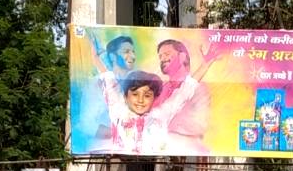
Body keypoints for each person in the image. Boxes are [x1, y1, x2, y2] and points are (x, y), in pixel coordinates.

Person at [85, 31, 223, 154]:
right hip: (122, 159)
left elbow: (185, 91)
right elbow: (109, 82)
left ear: (154, 99)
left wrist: (207, 63)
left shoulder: (159, 116)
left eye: (147, 95)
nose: (140, 100)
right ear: (126, 97)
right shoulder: (119, 110)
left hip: (155, 158)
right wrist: (96, 59)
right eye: (135, 94)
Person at [156, 39, 211, 148]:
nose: (162, 59)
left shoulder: (199, 87)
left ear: (182, 56)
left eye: (166, 54)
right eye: (160, 56)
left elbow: (199, 125)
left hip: (187, 149)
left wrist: (166, 124)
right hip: (159, 149)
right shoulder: (161, 88)